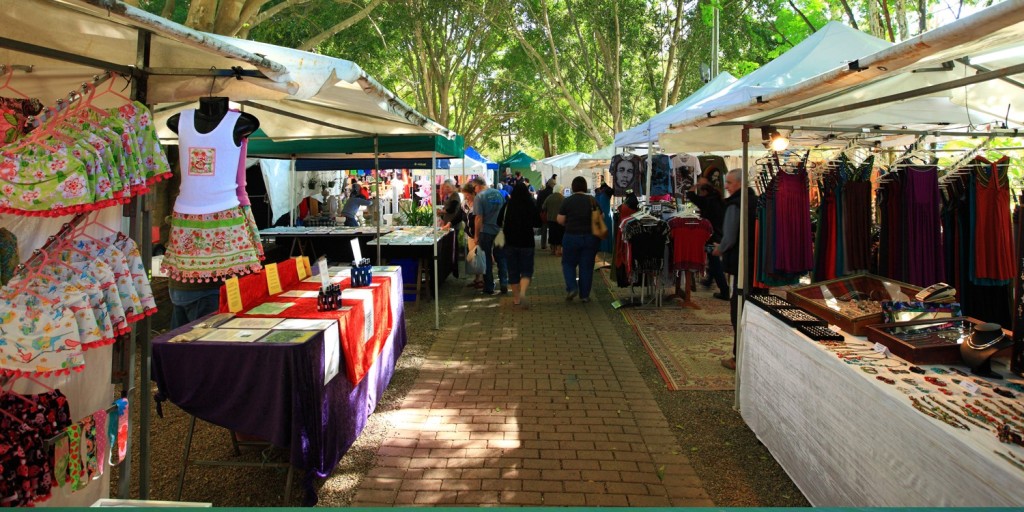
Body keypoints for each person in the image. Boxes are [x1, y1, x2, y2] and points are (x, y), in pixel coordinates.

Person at [714, 169, 742, 370]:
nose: (726, 186)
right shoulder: (753, 200)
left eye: (729, 182)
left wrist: (719, 249)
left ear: (739, 183)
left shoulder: (735, 205)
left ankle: (737, 356)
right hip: (753, 265)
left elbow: (730, 237)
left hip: (739, 263)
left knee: (738, 312)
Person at [557, 177, 600, 302]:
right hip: (590, 238)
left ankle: (572, 287)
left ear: (573, 187)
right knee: (586, 266)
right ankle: (585, 296)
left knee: (568, 264)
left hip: (571, 236)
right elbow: (600, 217)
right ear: (585, 187)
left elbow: (560, 219)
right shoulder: (592, 200)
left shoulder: (567, 201)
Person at [500, 182, 542, 307]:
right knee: (526, 270)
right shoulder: (531, 205)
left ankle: (517, 298)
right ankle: (523, 292)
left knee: (512, 270)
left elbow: (498, 221)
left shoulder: (508, 205)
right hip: (527, 242)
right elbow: (538, 223)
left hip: (510, 242)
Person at [687, 178, 729, 300]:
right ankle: (709, 280)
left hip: (711, 236)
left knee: (715, 263)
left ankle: (724, 290)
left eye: (701, 192)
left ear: (704, 192)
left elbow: (690, 195)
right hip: (719, 234)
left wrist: (695, 185)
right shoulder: (720, 201)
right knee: (713, 260)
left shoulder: (707, 201)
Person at [471, 177, 508, 295]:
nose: (474, 191)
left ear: (478, 186)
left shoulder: (480, 197)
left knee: (486, 258)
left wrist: (476, 235)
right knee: (501, 257)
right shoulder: (498, 194)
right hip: (499, 231)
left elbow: (478, 218)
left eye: (474, 188)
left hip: (486, 231)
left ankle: (489, 286)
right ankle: (504, 282)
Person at [462, 182, 483, 288]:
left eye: (467, 194)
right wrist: (449, 223)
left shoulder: (478, 203)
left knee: (480, 256)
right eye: (465, 194)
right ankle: (477, 278)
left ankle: (482, 279)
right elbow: (459, 215)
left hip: (478, 234)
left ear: (473, 193)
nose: (466, 196)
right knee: (473, 257)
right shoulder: (464, 203)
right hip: (470, 234)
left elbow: (479, 219)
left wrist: (477, 235)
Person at [542, 183, 565, 256]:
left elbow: (543, 207)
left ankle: (552, 250)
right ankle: (558, 250)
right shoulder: (563, 198)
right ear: (560, 190)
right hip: (560, 220)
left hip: (550, 219)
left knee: (552, 235)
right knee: (560, 235)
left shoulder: (549, 197)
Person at [535, 179, 555, 250]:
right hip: (552, 213)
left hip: (543, 213)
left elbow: (537, 203)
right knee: (552, 229)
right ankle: (552, 245)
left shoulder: (541, 192)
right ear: (552, 185)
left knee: (544, 229)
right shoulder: (553, 193)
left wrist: (539, 212)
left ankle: (543, 244)